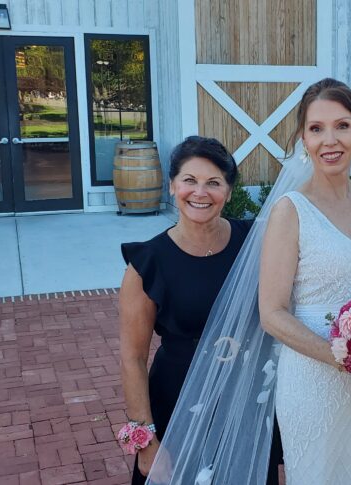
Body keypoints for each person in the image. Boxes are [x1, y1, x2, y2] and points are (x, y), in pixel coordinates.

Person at [257, 78, 351, 484]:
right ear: (303, 138)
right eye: (316, 128)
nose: (329, 140)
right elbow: (271, 313)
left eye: (342, 125)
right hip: (314, 381)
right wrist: (349, 360)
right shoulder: (290, 211)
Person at [117, 136, 282, 485]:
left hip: (246, 400)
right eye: (189, 180)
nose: (200, 193)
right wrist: (145, 439)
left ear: (229, 191)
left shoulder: (255, 242)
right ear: (172, 185)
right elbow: (133, 358)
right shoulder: (148, 263)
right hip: (179, 401)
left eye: (214, 183)